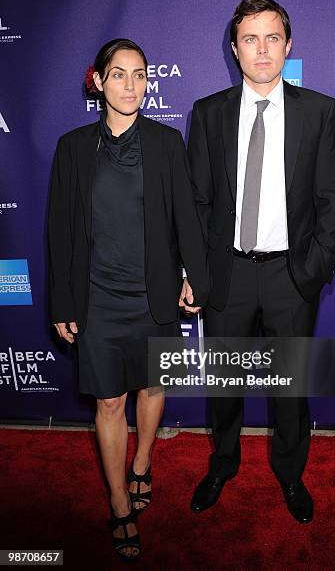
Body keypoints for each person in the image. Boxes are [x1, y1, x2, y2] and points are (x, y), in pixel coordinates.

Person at [182, 0, 335, 522]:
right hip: (226, 274)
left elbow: (333, 199)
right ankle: (222, 464)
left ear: (288, 45)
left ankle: (291, 474)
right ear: (235, 49)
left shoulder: (320, 111)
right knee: (226, 385)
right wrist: (194, 272)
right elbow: (197, 201)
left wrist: (312, 270)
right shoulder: (208, 113)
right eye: (250, 39)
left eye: (271, 38)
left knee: (290, 390)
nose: (261, 49)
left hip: (290, 275)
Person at [48, 38, 209, 561]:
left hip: (155, 294)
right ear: (98, 79)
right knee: (111, 400)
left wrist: (194, 277)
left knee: (154, 384)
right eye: (120, 75)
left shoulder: (166, 142)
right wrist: (62, 301)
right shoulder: (72, 147)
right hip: (98, 298)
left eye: (140, 76)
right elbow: (62, 231)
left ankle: (142, 462)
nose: (132, 86)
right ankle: (119, 502)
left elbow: (187, 215)